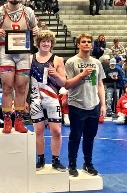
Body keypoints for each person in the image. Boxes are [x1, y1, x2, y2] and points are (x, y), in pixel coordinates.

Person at [0, 0, 39, 134]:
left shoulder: (28, 11)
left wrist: (36, 30)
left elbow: (35, 29)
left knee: (22, 87)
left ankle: (19, 120)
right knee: (7, 87)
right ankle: (7, 120)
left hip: (23, 53)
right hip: (6, 52)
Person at [64, 33, 106, 177]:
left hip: (93, 105)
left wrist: (103, 105)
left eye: (89, 42)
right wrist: (81, 75)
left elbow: (99, 84)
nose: (87, 44)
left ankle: (88, 164)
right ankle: (72, 165)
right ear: (78, 44)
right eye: (84, 41)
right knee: (75, 137)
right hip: (76, 104)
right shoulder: (71, 62)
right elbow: (67, 84)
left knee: (90, 137)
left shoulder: (96, 63)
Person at [30, 30, 67, 172]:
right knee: (38, 130)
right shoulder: (30, 58)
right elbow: (25, 82)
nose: (46, 44)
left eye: (48, 41)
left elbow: (63, 82)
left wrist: (56, 74)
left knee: (56, 131)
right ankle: (40, 159)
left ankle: (56, 160)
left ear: (52, 43)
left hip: (52, 98)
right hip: (35, 98)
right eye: (43, 41)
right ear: (38, 43)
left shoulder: (58, 60)